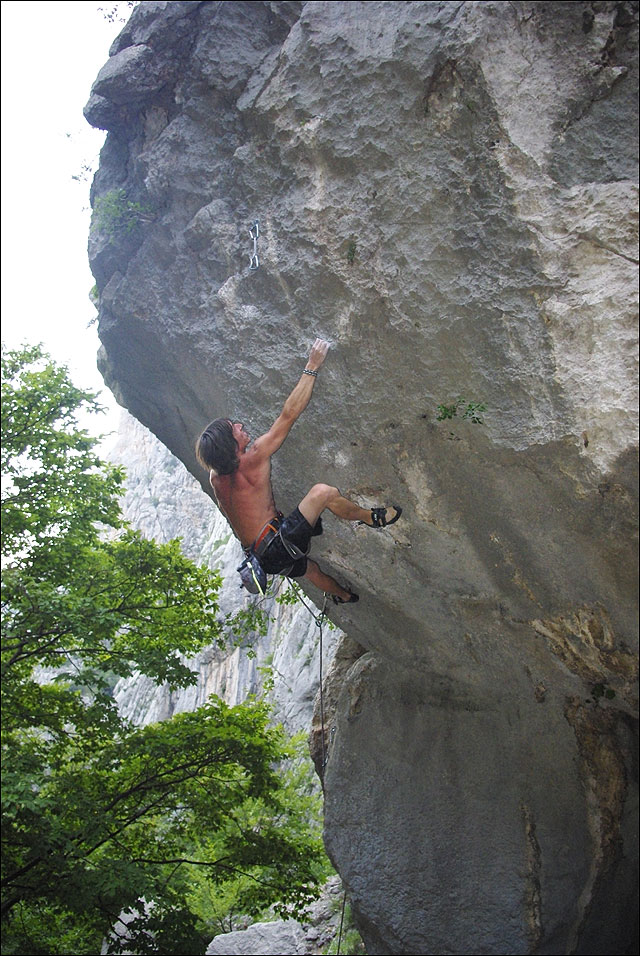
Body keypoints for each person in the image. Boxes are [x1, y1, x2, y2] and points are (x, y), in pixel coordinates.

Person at [195, 338, 401, 603]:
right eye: (233, 428)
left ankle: (344, 596)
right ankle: (371, 518)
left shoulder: (216, 478)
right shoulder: (254, 457)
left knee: (310, 570)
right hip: (279, 544)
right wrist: (312, 365)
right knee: (323, 493)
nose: (240, 425)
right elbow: (289, 415)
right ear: (230, 446)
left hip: (260, 558)